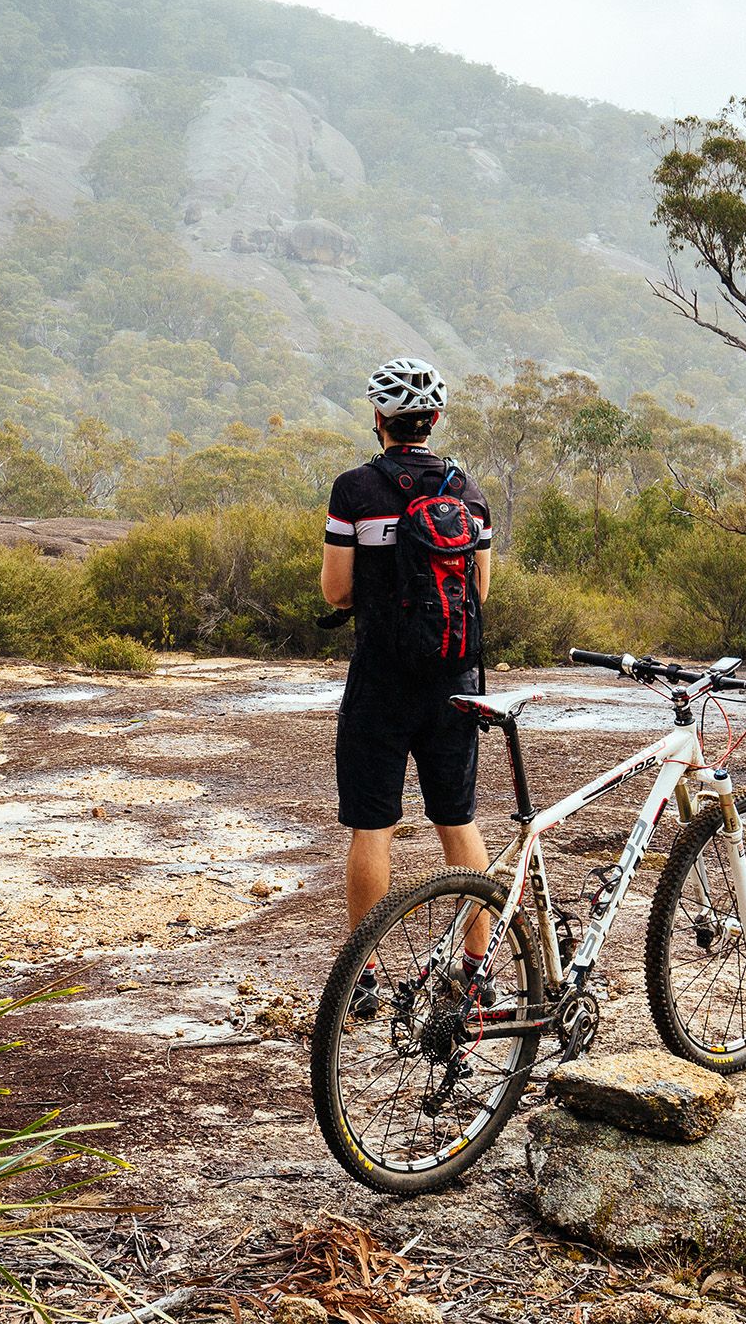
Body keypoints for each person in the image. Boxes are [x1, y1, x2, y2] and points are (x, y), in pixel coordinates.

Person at [321, 357, 494, 1015]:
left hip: (380, 684)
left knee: (373, 826)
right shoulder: (469, 492)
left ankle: (362, 980)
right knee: (458, 821)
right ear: (435, 420)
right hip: (454, 680)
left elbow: (337, 590)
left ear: (380, 420)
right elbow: (477, 594)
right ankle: (477, 971)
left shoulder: (355, 490)